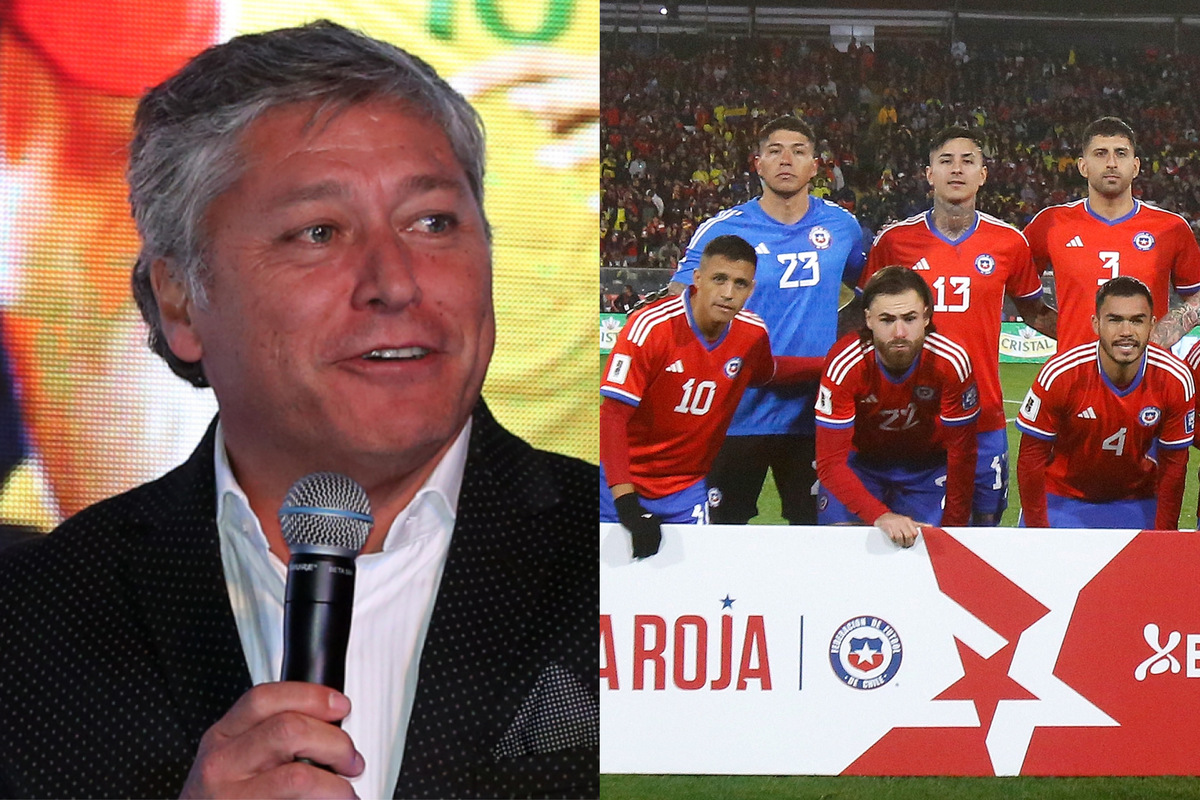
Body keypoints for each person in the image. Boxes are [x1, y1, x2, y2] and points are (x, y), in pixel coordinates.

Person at [0, 21, 596, 800]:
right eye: (319, 233)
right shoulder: (31, 627)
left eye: (433, 223)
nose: (396, 281)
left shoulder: (664, 579)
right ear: (180, 298)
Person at [667, 115, 866, 525]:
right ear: (757, 164)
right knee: (719, 537)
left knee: (819, 538)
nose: (786, 160)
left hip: (817, 414)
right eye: (775, 151)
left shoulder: (843, 227)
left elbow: (869, 294)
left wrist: (844, 350)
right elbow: (678, 302)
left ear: (815, 166)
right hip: (734, 413)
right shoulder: (724, 230)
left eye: (799, 151)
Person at [860, 127, 1056, 526]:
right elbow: (862, 321)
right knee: (908, 533)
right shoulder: (895, 242)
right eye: (945, 161)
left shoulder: (1008, 242)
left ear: (983, 174)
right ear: (929, 174)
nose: (957, 169)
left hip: (983, 415)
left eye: (968, 161)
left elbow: (1036, 313)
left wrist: (1096, 340)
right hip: (910, 418)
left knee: (984, 527)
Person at [600, 235, 822, 558]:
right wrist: (625, 502)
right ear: (698, 279)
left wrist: (828, 363)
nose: (729, 293)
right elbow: (612, 417)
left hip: (684, 488)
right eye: (720, 279)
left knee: (691, 589)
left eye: (740, 283)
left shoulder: (751, 333)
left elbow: (768, 373)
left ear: (752, 289)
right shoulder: (650, 328)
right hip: (619, 484)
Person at [815, 267, 979, 548]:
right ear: (868, 319)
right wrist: (881, 516)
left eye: (910, 318)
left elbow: (962, 454)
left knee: (933, 551)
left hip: (927, 468)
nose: (900, 332)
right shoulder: (846, 363)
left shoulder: (951, 361)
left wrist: (954, 527)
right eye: (887, 319)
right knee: (839, 545)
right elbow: (830, 463)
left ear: (926, 317)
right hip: (861, 466)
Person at [1016, 277, 1192, 529]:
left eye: (1137, 320)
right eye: (1115, 320)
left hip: (1138, 500)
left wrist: (1164, 535)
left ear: (1152, 325)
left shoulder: (1175, 378)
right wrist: (1037, 530)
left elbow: (1174, 466)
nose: (1126, 332)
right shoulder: (1061, 374)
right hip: (1062, 498)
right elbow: (1031, 457)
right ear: (1096, 324)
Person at [1024, 116, 1200, 353]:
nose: (1111, 163)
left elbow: (1197, 296)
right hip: (1077, 375)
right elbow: (1016, 287)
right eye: (1100, 153)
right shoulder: (1050, 223)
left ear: (1135, 166)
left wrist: (1160, 337)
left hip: (1148, 377)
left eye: (1121, 153)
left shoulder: (1170, 227)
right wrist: (1064, 330)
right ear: (1082, 166)